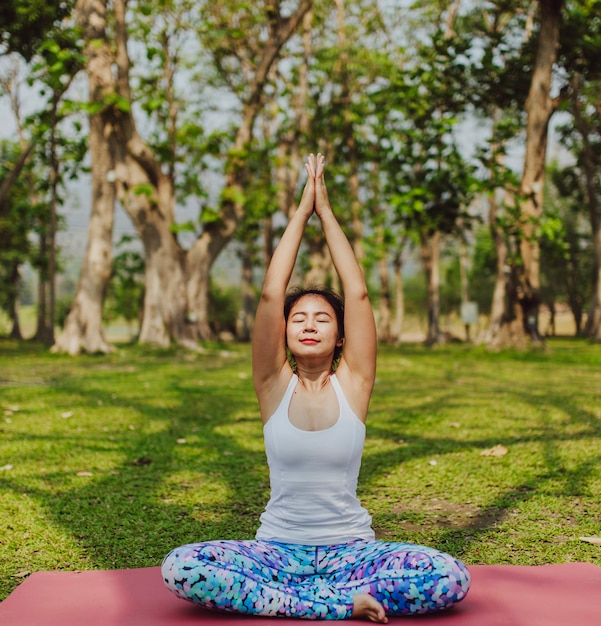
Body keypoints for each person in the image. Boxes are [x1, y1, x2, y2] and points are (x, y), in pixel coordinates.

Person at [161, 153, 471, 622]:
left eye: (322, 318)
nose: (309, 325)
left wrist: (326, 213)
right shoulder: (271, 385)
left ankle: (303, 605)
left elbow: (359, 292)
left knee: (451, 576)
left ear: (340, 334)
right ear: (283, 332)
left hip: (353, 555)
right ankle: (335, 608)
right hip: (277, 555)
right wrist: (300, 212)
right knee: (181, 568)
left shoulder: (355, 384)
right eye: (298, 319)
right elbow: (270, 293)